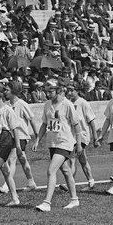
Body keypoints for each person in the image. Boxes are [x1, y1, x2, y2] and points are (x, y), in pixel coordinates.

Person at [34, 81, 81, 211]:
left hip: (65, 142)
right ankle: (74, 199)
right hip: (52, 142)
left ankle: (47, 202)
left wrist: (79, 143)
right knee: (65, 171)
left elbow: (77, 125)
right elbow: (45, 124)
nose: (47, 94)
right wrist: (38, 139)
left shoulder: (68, 105)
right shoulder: (47, 105)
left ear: (58, 90)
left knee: (51, 170)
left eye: (51, 91)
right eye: (46, 91)